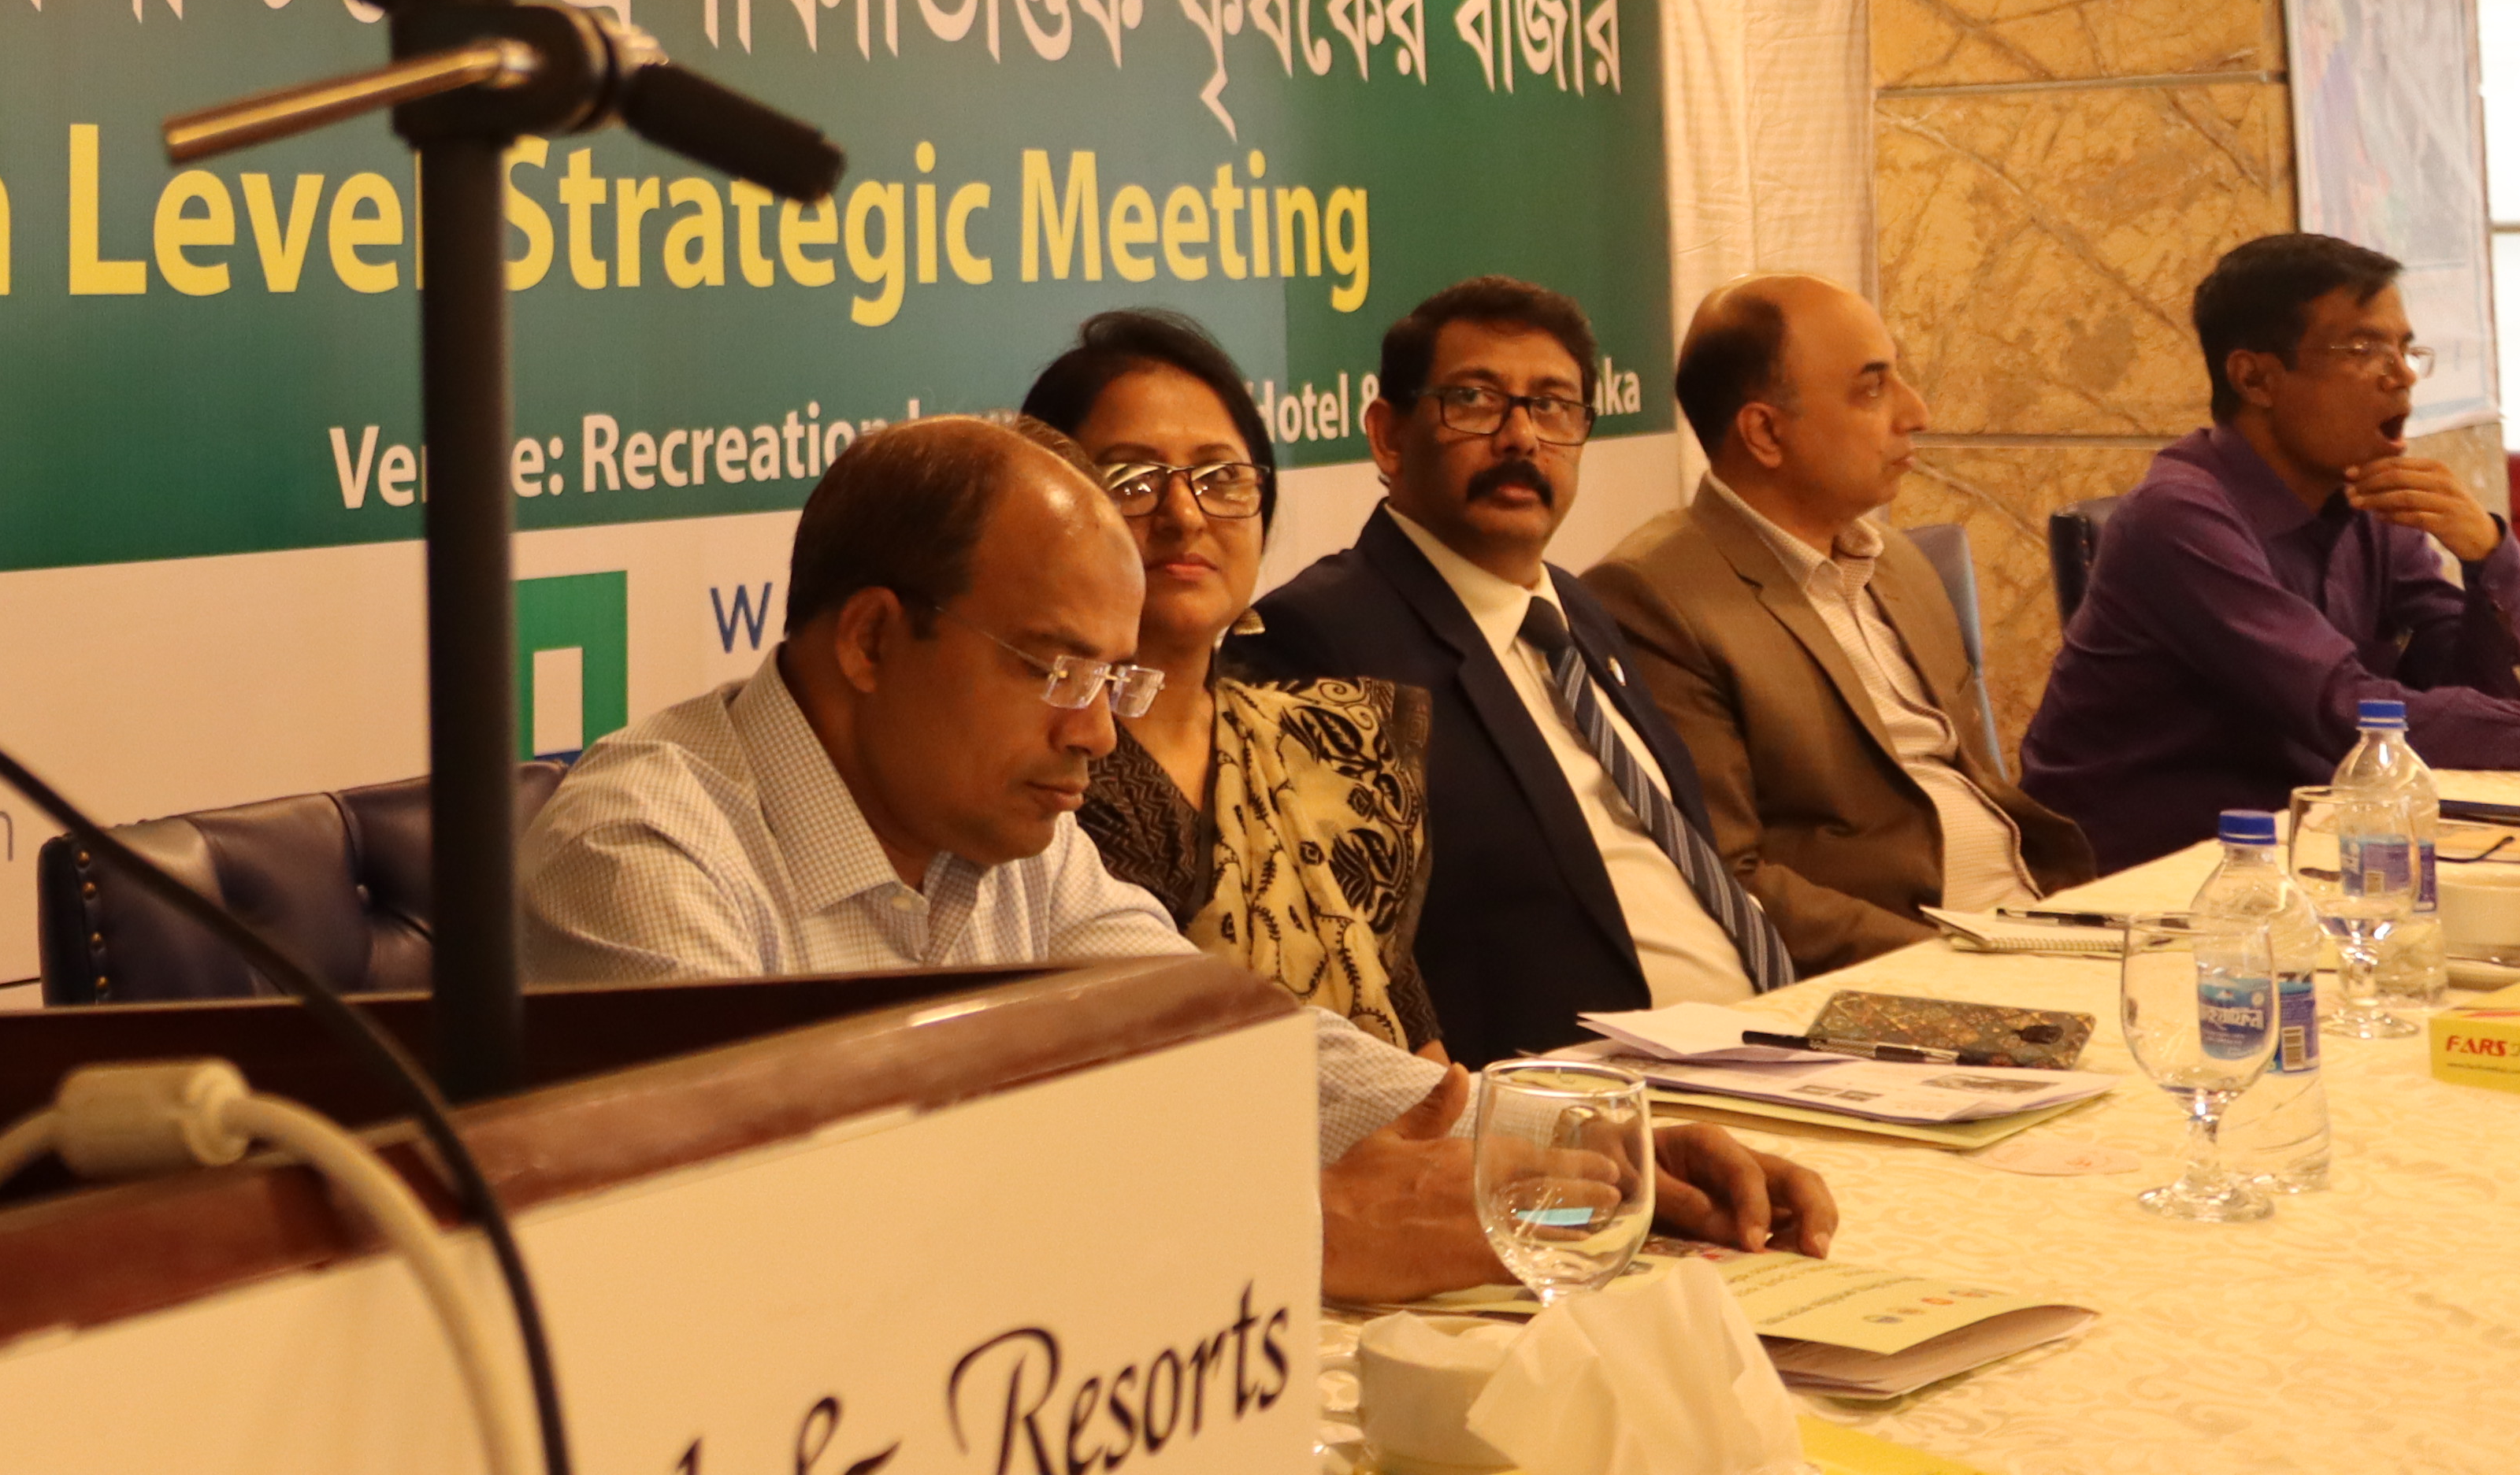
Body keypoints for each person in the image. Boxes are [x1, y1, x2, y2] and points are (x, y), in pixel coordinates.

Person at [521, 417, 1835, 1304]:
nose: (1097, 733)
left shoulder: (1008, 830)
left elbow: (1226, 1041)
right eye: (1057, 670)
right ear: (870, 641)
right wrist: (1276, 1233)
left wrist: (1572, 1146)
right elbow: (762, 1249)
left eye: (1116, 678)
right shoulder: (644, 853)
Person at [1228, 276, 1794, 1064]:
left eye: (1554, 405)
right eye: (1475, 400)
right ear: (1389, 437)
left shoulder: (1577, 610)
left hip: (1769, 1049)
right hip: (1580, 1097)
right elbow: (1342, 967)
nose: (1522, 437)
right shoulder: (1321, 636)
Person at [1585, 276, 2093, 969]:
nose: (1916, 412)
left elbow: (1975, 784)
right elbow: (1726, 876)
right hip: (1904, 968)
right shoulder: (1654, 598)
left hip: (2036, 923)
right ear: (1766, 432)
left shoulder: (1900, 563)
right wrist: (1956, 963)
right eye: (1872, 389)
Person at [2021, 232, 2520, 870]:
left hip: (2308, 850)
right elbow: (2347, 713)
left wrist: (2488, 554)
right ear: (2255, 377)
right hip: (2141, 872)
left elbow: (2496, 694)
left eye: (2405, 349)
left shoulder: (2368, 501)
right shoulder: (2177, 516)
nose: (2401, 376)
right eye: (2363, 349)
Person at [1022, 309, 1440, 1049]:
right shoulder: (1032, 764)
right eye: (1132, 480)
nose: (1185, 515)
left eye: (1221, 478)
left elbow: (1412, 1039)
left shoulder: (1328, 743)